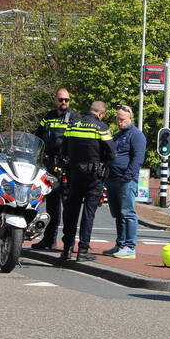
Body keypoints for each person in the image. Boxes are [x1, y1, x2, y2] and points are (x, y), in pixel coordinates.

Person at [60, 100, 115, 263]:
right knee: (89, 212)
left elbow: (63, 148)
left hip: (75, 173)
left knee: (71, 212)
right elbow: (112, 153)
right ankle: (82, 250)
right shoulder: (101, 127)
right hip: (94, 176)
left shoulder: (73, 124)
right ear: (101, 113)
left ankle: (67, 249)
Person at [31, 87, 76, 251]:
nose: (64, 103)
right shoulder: (48, 117)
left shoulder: (74, 118)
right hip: (49, 165)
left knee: (68, 205)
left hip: (66, 165)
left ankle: (68, 243)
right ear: (55, 100)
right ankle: (49, 239)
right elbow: (38, 137)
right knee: (51, 205)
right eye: (61, 100)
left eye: (67, 100)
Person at [103, 105, 146, 259]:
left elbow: (137, 158)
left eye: (122, 119)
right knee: (118, 214)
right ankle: (120, 244)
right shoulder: (117, 135)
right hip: (113, 179)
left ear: (130, 118)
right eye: (117, 119)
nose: (119, 122)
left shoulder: (136, 135)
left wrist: (128, 176)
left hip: (125, 180)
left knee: (128, 213)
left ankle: (129, 246)